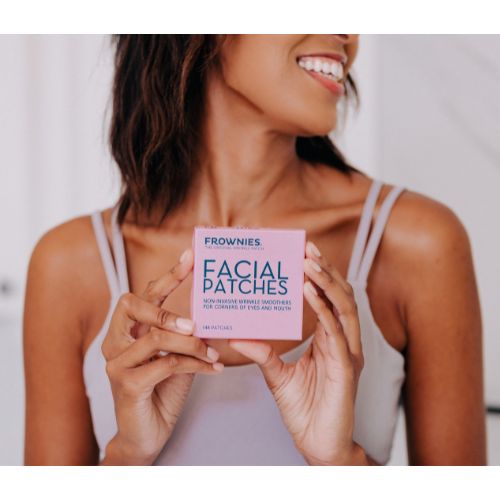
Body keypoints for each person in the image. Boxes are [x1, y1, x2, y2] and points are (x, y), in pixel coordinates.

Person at [23, 35, 486, 465]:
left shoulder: (415, 244)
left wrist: (342, 463)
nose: (348, 32)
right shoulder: (72, 263)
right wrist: (127, 454)